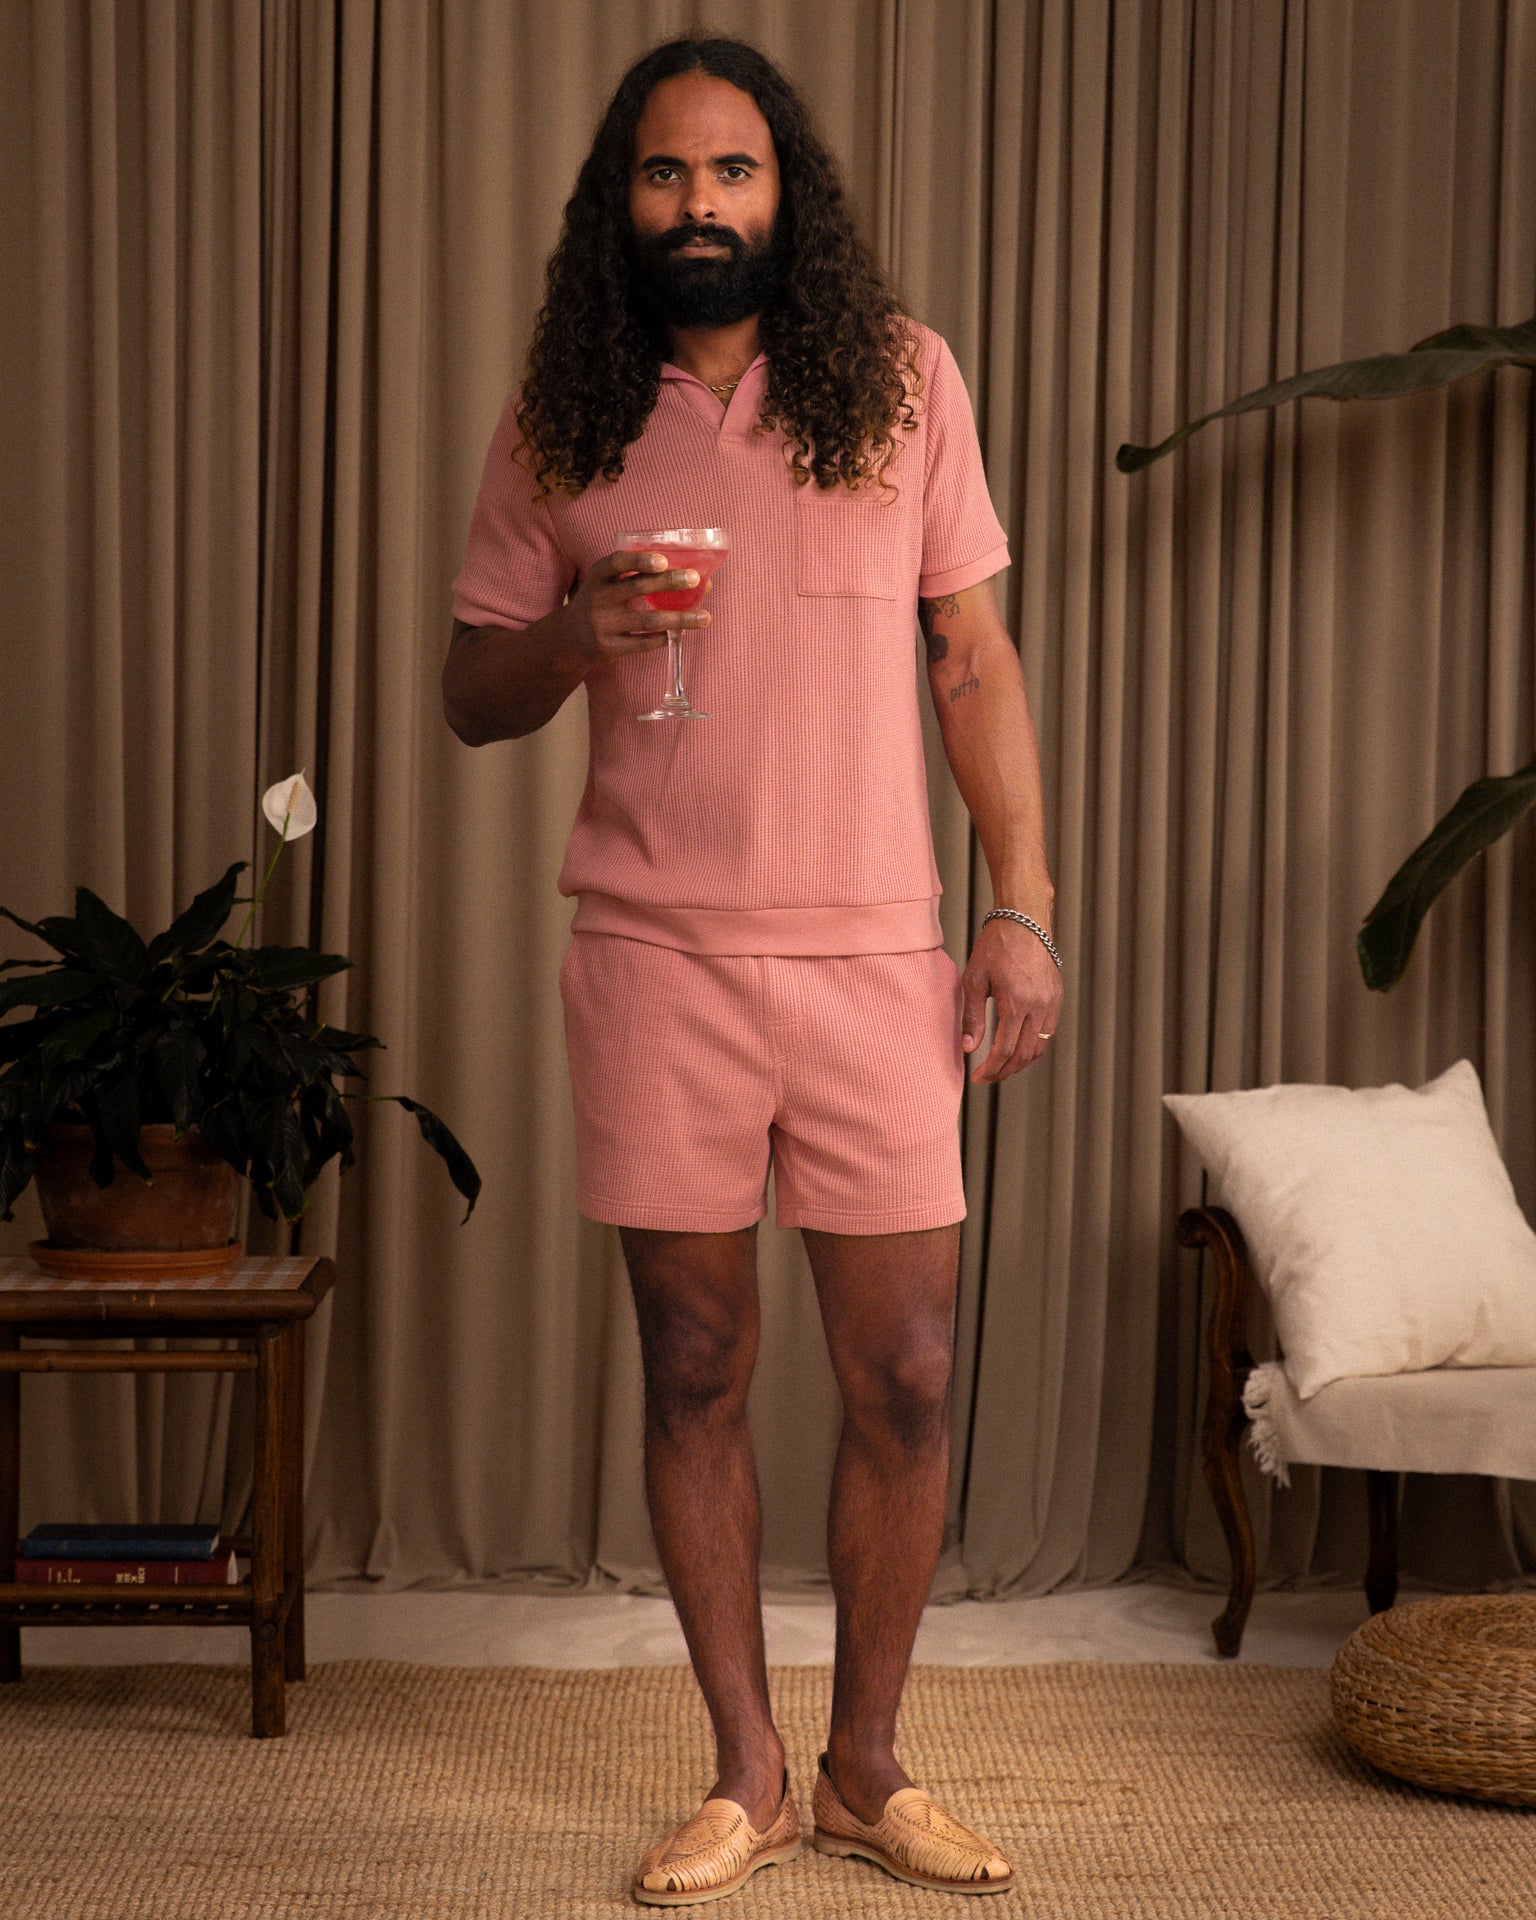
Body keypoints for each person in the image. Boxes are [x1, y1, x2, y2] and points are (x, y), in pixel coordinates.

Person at [443, 31, 1062, 1908]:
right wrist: (574, 627)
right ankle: (748, 1775)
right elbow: (473, 692)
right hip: (654, 961)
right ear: (615, 205)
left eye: (732, 172)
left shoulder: (903, 384)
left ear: (786, 191)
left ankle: (870, 1767)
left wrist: (1018, 905)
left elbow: (975, 661)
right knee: (694, 1362)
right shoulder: (565, 419)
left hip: (878, 955)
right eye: (663, 175)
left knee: (913, 1377)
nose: (700, 204)